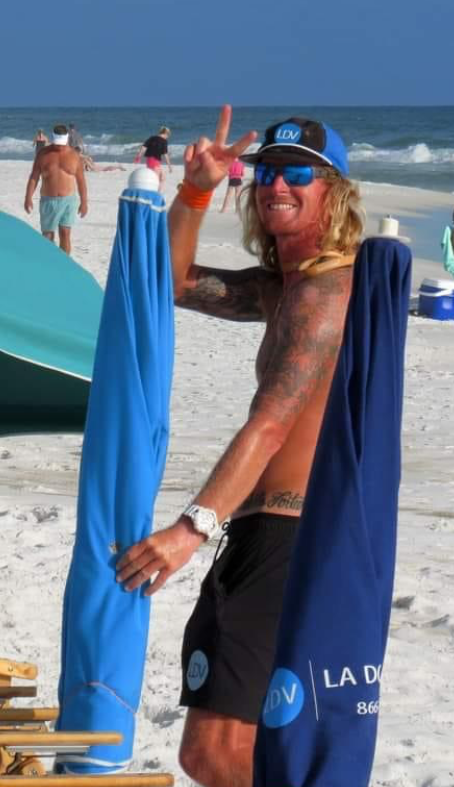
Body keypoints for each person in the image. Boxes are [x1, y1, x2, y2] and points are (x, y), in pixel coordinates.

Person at [116, 107, 364, 787]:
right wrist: (195, 191)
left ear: (333, 192)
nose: (275, 185)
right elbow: (165, 283)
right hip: (262, 535)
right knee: (223, 747)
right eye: (265, 172)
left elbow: (272, 422)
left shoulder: (323, 292)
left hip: (288, 537)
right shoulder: (282, 286)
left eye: (297, 175)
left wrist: (191, 526)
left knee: (219, 750)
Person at [24, 124, 88, 255]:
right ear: (52, 138)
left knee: (65, 233)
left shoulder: (74, 156)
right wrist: (28, 197)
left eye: (62, 144)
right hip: (49, 201)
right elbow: (34, 177)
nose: (59, 146)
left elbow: (81, 181)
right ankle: (50, 262)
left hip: (69, 201)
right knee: (48, 236)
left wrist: (84, 202)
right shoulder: (43, 154)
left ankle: (65, 264)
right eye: (57, 143)